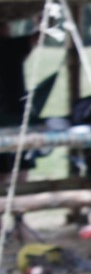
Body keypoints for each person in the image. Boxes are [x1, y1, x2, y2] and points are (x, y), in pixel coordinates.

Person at [0, 20, 39, 184]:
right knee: (20, 163)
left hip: (12, 114)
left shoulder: (12, 47)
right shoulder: (11, 46)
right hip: (14, 115)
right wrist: (41, 22)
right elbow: (38, 37)